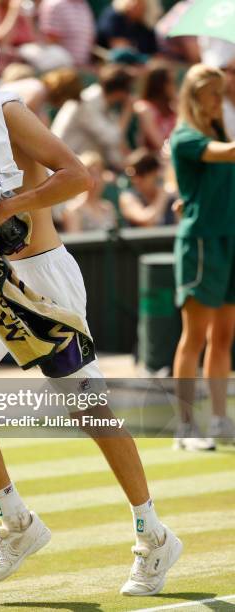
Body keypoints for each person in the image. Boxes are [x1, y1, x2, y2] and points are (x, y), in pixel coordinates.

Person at [0, 26, 182, 596]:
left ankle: (154, 536)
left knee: (87, 409)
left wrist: (9, 204)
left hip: (45, 282)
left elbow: (78, 176)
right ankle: (18, 523)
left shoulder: (11, 110)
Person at [171, 64, 235, 451]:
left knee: (223, 336)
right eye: (213, 92)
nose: (219, 99)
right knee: (194, 337)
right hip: (201, 245)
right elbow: (227, 154)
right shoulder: (184, 137)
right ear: (193, 97)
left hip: (230, 242)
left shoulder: (220, 132)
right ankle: (184, 426)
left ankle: (219, 418)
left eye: (221, 92)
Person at [50, 64, 134, 171]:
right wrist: (127, 112)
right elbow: (112, 138)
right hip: (62, 164)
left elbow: (112, 149)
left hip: (80, 163)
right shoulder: (86, 103)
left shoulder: (104, 103)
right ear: (120, 93)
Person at [62, 150, 117, 232]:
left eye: (99, 173)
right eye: (91, 173)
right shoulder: (73, 210)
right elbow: (75, 240)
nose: (96, 179)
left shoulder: (108, 207)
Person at [119, 148, 175, 227]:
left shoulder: (171, 195)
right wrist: (163, 194)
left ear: (155, 172)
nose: (136, 179)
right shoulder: (127, 197)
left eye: (141, 173)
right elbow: (147, 221)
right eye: (131, 175)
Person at [134, 61, 177, 153]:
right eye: (170, 82)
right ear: (159, 85)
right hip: (156, 160)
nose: (174, 86)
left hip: (173, 156)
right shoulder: (145, 108)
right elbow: (160, 145)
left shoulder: (173, 108)